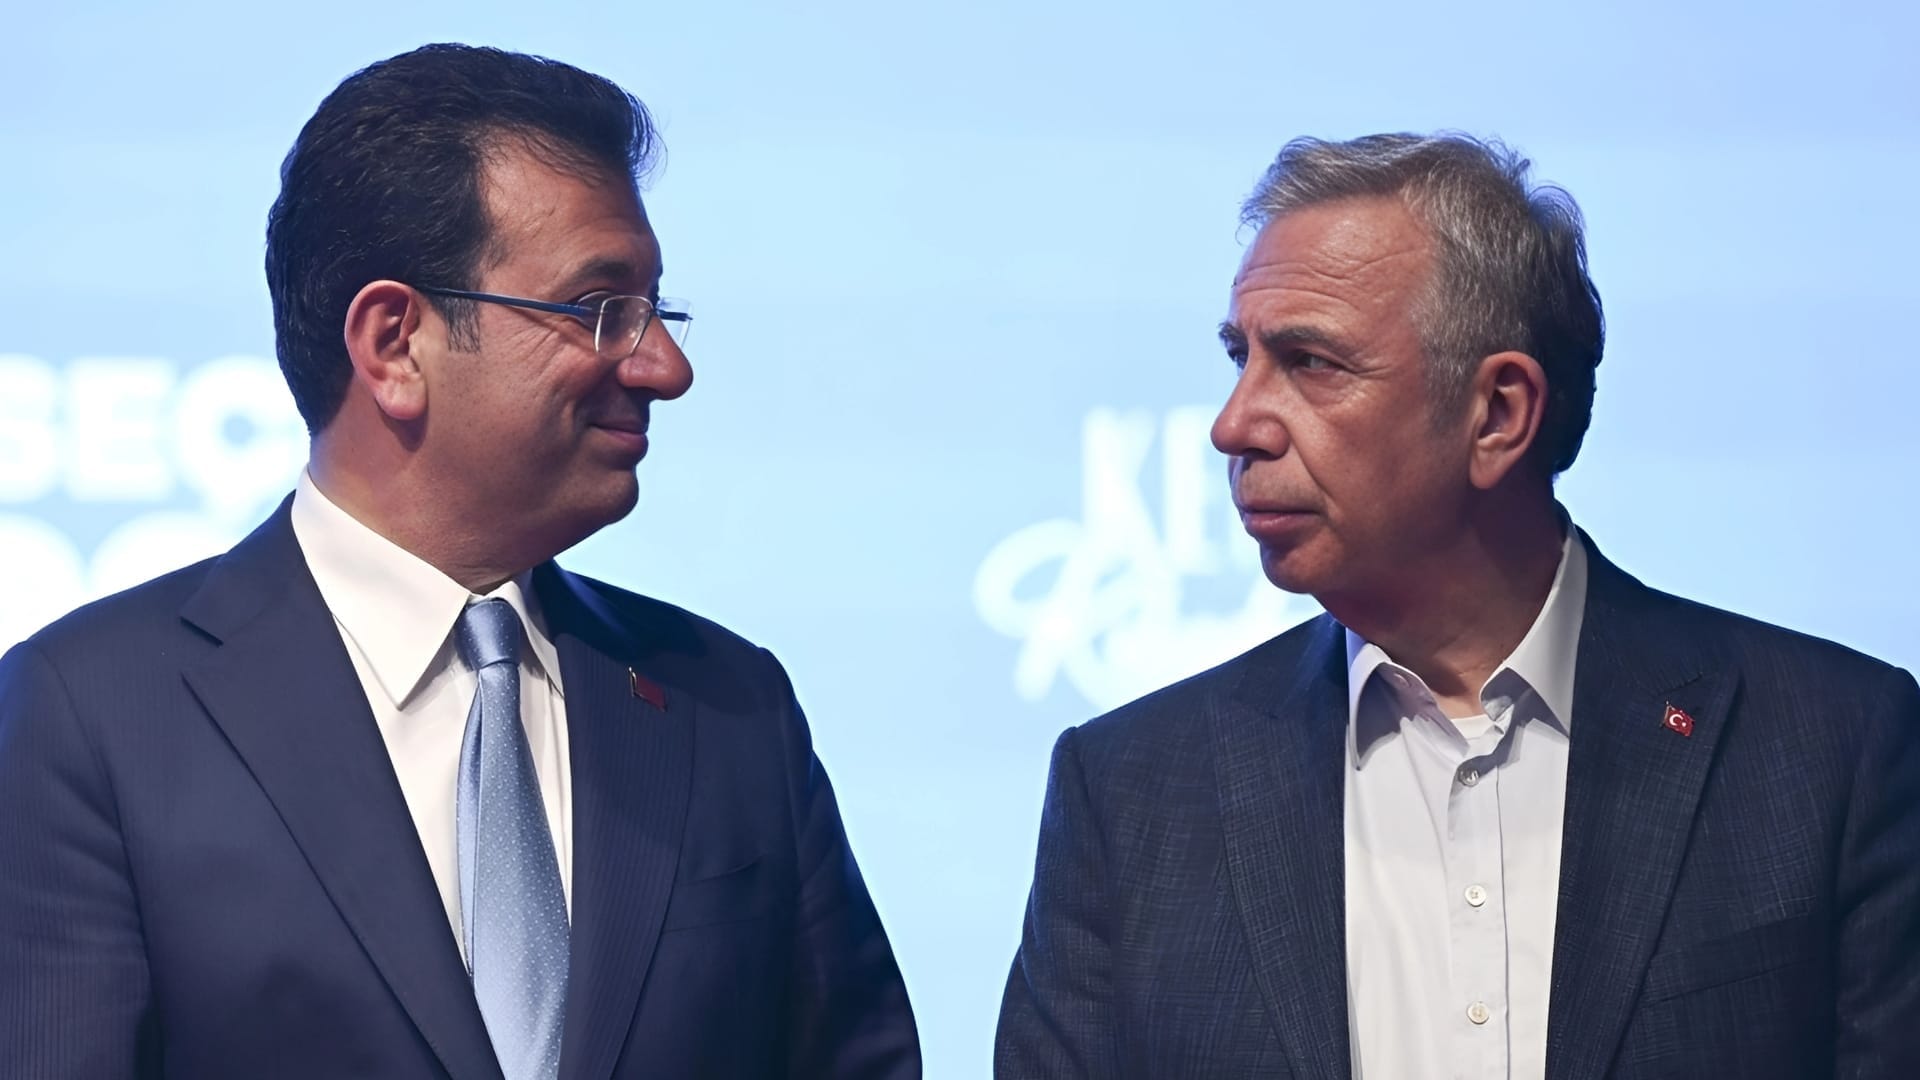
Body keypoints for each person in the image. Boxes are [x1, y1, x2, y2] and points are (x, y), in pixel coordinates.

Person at [0, 43, 919, 1080]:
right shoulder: (95, 715)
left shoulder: (729, 704)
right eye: (602, 310)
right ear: (396, 343)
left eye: (657, 311)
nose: (666, 366)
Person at [995, 133, 1919, 1078]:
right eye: (1241, 357)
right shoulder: (1131, 794)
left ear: (1498, 413)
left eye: (1309, 362)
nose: (1235, 425)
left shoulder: (1831, 749)